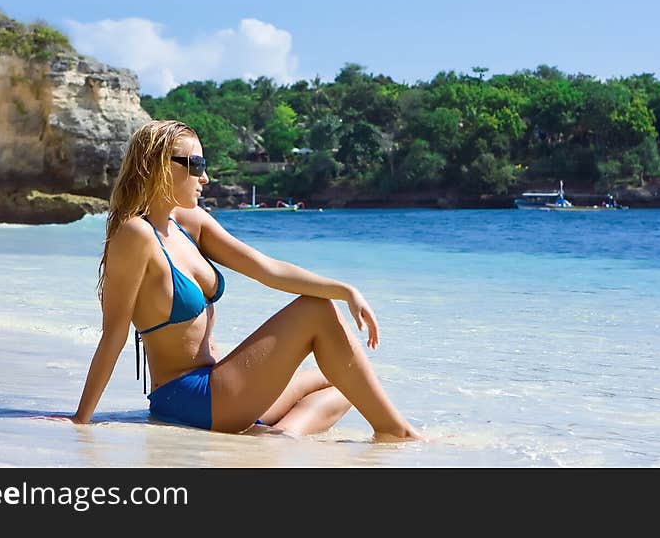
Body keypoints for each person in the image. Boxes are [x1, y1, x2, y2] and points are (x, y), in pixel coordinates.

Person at [67, 119, 424, 441]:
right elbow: (114, 333)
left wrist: (347, 290)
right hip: (188, 396)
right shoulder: (135, 235)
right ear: (161, 167)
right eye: (197, 165)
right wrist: (82, 419)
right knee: (316, 310)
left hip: (220, 385)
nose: (205, 178)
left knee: (347, 381)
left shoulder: (189, 223)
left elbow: (266, 268)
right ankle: (397, 430)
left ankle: (281, 436)